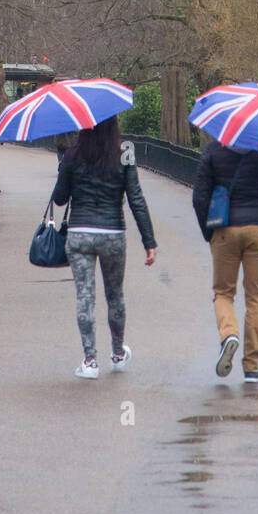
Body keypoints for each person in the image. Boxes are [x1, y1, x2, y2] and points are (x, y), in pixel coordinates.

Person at [52, 115, 157, 379]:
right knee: (115, 296)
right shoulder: (125, 154)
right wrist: (149, 241)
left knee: (85, 297)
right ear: (114, 126)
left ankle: (89, 361)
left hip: (79, 233)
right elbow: (136, 199)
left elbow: (61, 198)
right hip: (112, 232)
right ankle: (118, 352)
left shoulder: (73, 155)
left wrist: (64, 171)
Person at [192, 137, 258, 383]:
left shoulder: (214, 150)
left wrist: (209, 234)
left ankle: (229, 334)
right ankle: (252, 366)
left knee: (223, 293)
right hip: (257, 230)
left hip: (225, 230)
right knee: (255, 298)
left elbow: (199, 198)